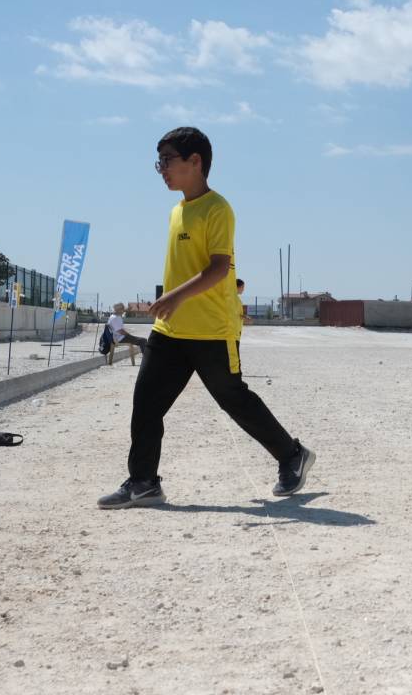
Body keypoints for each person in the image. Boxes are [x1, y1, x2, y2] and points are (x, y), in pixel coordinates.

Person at [98, 127, 315, 509]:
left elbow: (218, 269)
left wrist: (174, 296)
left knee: (234, 399)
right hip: (171, 330)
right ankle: (143, 481)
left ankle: (291, 455)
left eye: (167, 161)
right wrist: (171, 304)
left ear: (195, 161)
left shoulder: (218, 208)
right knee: (146, 401)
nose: (161, 169)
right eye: (159, 162)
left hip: (212, 329)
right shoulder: (177, 211)